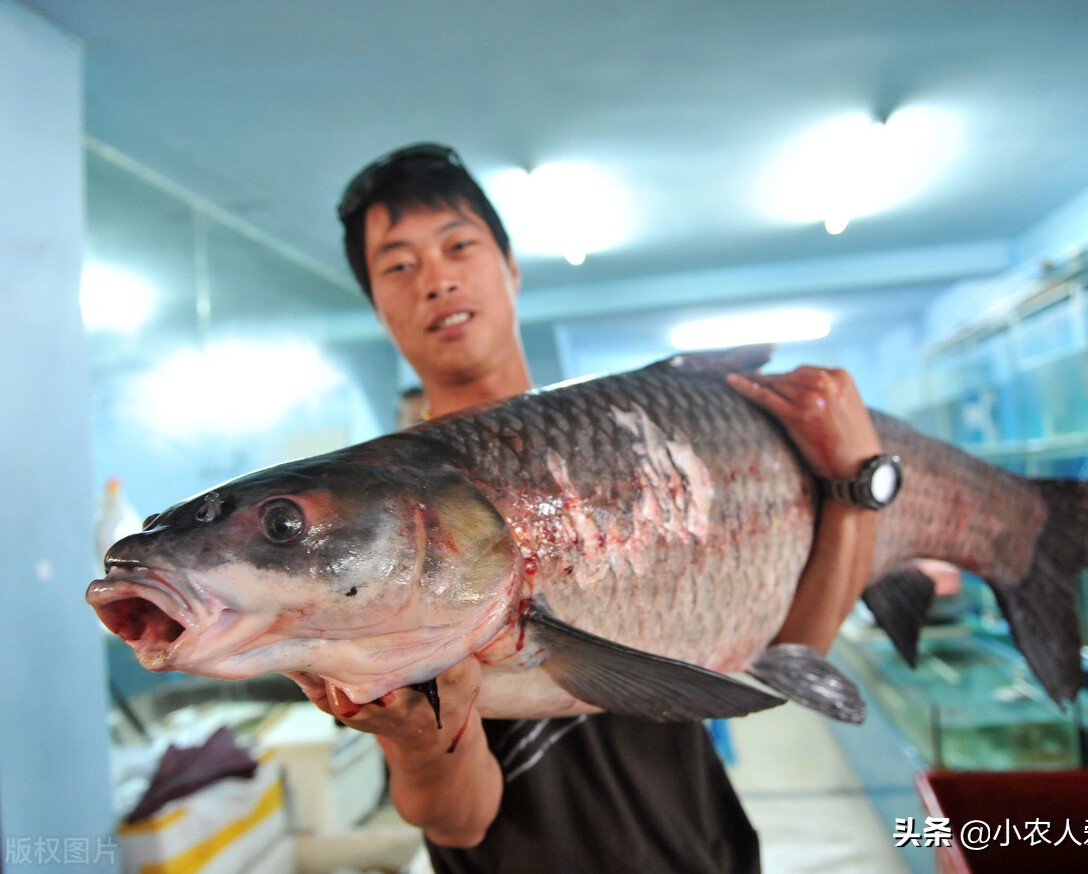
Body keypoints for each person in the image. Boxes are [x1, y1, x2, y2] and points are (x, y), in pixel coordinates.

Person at [314, 142, 883, 873]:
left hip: (703, 852)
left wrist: (860, 487)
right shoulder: (385, 535)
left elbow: (793, 652)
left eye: (459, 245)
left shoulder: (642, 443)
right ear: (377, 306)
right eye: (398, 265)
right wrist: (419, 740)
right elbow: (460, 821)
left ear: (511, 268)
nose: (437, 280)